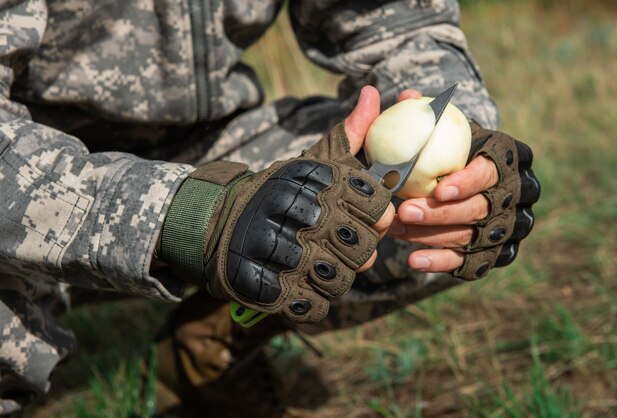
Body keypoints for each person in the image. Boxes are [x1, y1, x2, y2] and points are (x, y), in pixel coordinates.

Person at [0, 0, 540, 416]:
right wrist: (193, 219)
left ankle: (208, 341)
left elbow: (396, 26)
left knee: (404, 216)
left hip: (210, 152)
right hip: (30, 184)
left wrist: (464, 140)